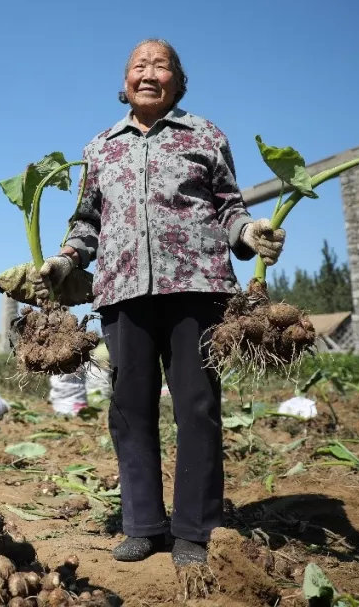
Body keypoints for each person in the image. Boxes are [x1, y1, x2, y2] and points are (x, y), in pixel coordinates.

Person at [33, 39, 286, 569]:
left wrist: (251, 232)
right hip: (123, 290)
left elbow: (229, 209)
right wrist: (61, 263)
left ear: (179, 80)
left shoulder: (205, 135)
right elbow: (86, 224)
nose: (150, 73)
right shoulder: (100, 146)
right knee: (129, 408)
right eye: (139, 66)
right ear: (125, 82)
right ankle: (143, 524)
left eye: (161, 65)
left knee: (196, 405)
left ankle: (196, 529)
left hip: (197, 286)